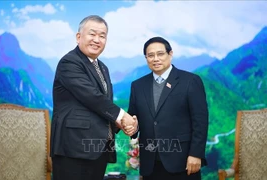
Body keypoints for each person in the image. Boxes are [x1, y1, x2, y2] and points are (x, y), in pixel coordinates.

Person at [50, 15, 137, 180]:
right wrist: (123, 116)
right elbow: (92, 97)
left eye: (102, 36)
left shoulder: (102, 67)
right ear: (78, 37)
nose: (97, 40)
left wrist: (120, 124)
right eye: (92, 34)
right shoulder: (69, 62)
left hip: (98, 149)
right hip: (73, 148)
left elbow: (102, 106)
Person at [128, 37, 209, 180]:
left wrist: (196, 154)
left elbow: (200, 122)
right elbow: (133, 118)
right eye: (150, 55)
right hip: (150, 163)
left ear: (170, 54)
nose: (155, 59)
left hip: (183, 161)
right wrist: (131, 126)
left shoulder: (190, 81)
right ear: (146, 58)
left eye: (160, 54)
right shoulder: (138, 86)